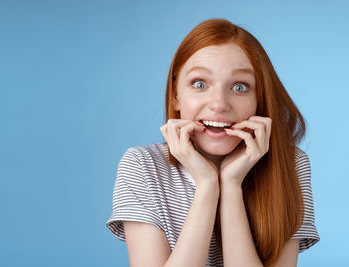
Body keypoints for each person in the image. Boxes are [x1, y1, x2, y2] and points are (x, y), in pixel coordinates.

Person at [106, 18, 320, 267]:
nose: (219, 103)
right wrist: (207, 186)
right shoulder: (142, 166)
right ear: (176, 95)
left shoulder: (290, 165)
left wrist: (231, 186)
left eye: (240, 87)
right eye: (199, 84)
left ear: (259, 100)